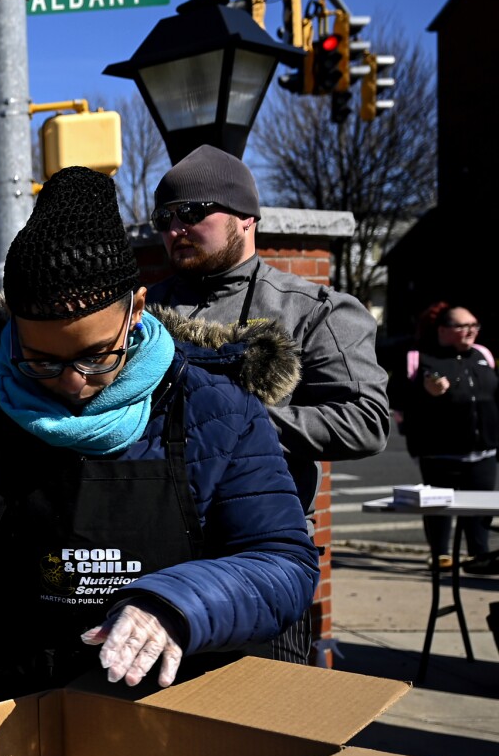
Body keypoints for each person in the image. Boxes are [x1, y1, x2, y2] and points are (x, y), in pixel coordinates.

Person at [0, 168, 317, 756]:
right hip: (6, 718)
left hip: (172, 724)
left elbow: (282, 562)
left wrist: (175, 604)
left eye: (97, 357)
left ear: (136, 309)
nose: (73, 383)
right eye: (41, 362)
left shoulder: (215, 409)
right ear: (13, 327)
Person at [144, 145, 389, 662]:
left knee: (262, 709)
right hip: (152, 557)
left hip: (257, 557)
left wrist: (240, 424)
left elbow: (366, 421)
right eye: (164, 218)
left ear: (246, 217)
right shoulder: (140, 311)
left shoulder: (313, 311)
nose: (175, 229)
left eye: (192, 212)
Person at [393, 303, 498, 572]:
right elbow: (398, 398)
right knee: (438, 507)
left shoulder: (483, 355)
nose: (471, 331)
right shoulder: (420, 358)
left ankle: (479, 556)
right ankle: (440, 554)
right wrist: (424, 391)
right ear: (443, 330)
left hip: (484, 451)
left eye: (474, 325)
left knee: (480, 509)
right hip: (439, 452)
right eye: (463, 326)